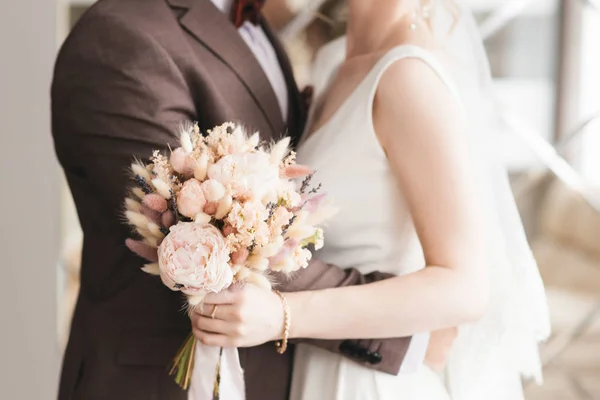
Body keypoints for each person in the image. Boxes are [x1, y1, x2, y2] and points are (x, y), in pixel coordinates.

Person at [51, 0, 428, 399]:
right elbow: (207, 241)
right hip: (160, 381)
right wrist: (402, 319)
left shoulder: (258, 28)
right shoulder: (122, 37)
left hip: (278, 373)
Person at [193, 0, 551, 399]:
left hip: (368, 382)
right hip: (311, 371)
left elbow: (464, 287)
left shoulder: (408, 76)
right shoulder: (334, 62)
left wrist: (283, 315)